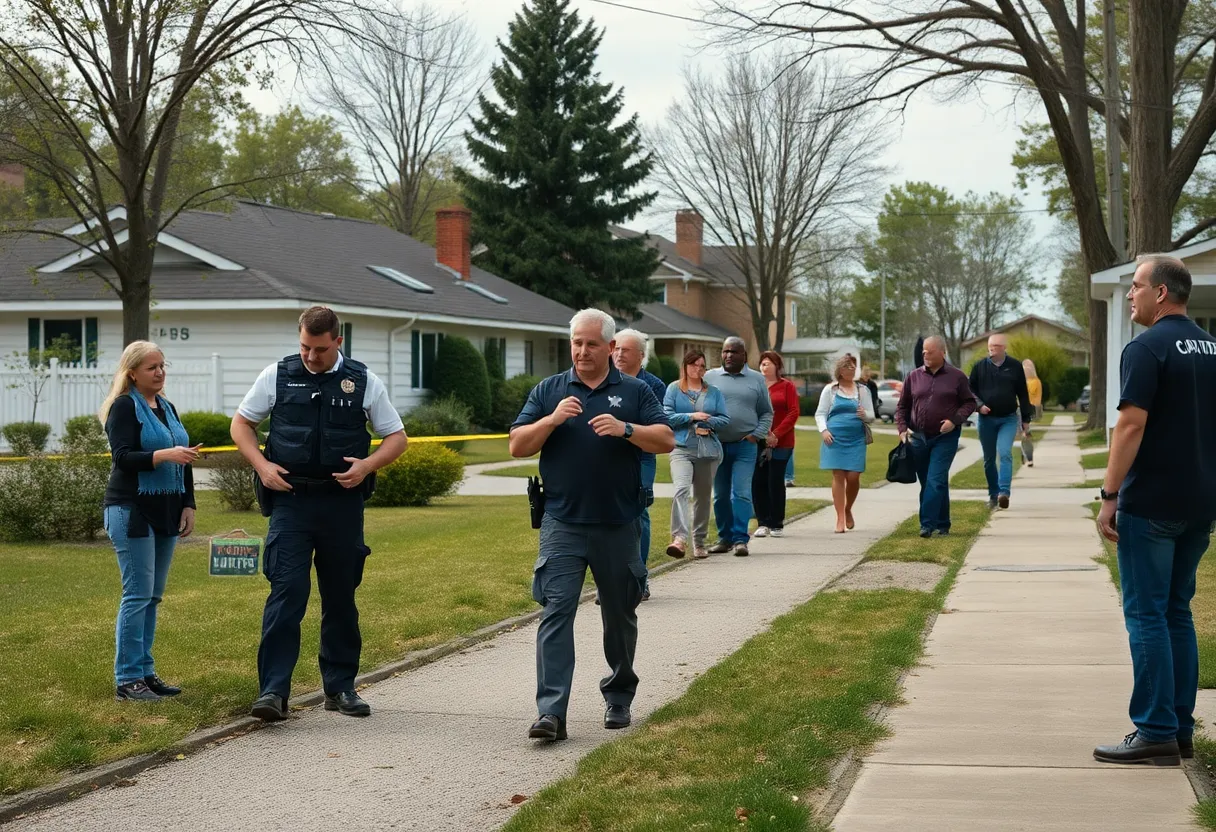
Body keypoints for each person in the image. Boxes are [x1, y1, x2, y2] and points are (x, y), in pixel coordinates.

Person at [231, 306, 407, 722]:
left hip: (341, 504)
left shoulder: (363, 381)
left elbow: (396, 438)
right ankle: (273, 691)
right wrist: (262, 465)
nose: (311, 357)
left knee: (341, 597)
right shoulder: (277, 374)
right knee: (286, 593)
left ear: (338, 342)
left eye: (321, 350)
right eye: (305, 347)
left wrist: (366, 466)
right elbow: (241, 425)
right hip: (291, 502)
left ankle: (341, 688)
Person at [509, 309, 674, 742]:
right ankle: (551, 713)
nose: (583, 351)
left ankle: (618, 696)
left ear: (610, 347)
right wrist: (551, 420)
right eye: (576, 343)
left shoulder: (635, 390)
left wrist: (625, 430)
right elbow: (517, 445)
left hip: (618, 523)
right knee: (555, 612)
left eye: (592, 344)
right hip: (561, 521)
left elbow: (666, 438)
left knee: (619, 615)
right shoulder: (550, 390)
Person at [1094, 255, 1216, 767]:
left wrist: (1108, 494)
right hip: (1200, 502)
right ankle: (1181, 727)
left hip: (1153, 504)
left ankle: (1155, 730)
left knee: (1145, 614)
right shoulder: (1212, 348)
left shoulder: (1145, 348)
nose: (1130, 295)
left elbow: (1130, 426)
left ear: (1161, 293)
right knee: (1176, 611)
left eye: (1136, 287)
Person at [100, 341, 200, 702]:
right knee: (137, 594)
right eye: (151, 368)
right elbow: (123, 457)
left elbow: (184, 458)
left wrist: (188, 504)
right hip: (131, 509)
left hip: (167, 510)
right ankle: (127, 680)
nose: (160, 372)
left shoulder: (167, 408)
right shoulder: (124, 407)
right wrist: (162, 455)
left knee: (153, 596)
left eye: (162, 365)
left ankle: (144, 671)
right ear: (132, 374)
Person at [896, 336, 976, 538]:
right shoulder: (913, 376)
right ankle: (943, 523)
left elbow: (969, 403)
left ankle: (927, 525)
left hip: (945, 438)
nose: (925, 354)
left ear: (942, 353)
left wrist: (954, 420)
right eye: (923, 351)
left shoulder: (957, 377)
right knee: (930, 482)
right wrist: (902, 428)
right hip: (919, 437)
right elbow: (902, 406)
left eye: (929, 351)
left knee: (935, 479)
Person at [611, 328, 669, 600]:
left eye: (626, 350)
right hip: (607, 456)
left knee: (637, 512)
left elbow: (659, 427)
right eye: (617, 349)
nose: (619, 354)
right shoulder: (603, 380)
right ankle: (609, 581)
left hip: (641, 455)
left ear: (641, 356)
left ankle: (638, 579)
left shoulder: (653, 386)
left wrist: (626, 428)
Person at [705, 337, 773, 557]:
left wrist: (756, 435)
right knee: (720, 495)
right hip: (716, 445)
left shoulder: (756, 379)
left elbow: (766, 412)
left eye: (733, 352)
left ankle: (740, 539)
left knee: (741, 493)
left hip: (745, 445)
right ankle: (724, 538)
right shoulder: (710, 377)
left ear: (744, 355)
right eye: (725, 351)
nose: (728, 355)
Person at [663, 350, 729, 560]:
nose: (698, 369)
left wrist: (707, 421)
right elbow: (666, 417)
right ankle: (679, 539)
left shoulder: (714, 392)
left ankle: (699, 541)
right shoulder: (674, 389)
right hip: (681, 448)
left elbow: (725, 419)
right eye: (694, 365)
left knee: (702, 496)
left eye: (702, 366)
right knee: (681, 489)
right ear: (685, 366)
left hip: (707, 450)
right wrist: (691, 416)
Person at [968, 334, 1032, 509]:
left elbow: (1023, 394)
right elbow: (969, 390)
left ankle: (1004, 492)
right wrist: (979, 406)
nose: (992, 349)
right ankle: (993, 495)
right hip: (986, 419)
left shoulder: (1015, 366)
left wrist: (1026, 419)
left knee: (1004, 452)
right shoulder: (979, 367)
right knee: (989, 459)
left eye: (996, 346)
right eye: (990, 346)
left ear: (1004, 348)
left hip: (1008, 418)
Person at [815, 354, 875, 534]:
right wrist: (824, 430)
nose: (851, 370)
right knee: (838, 475)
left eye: (853, 367)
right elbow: (820, 413)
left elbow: (872, 416)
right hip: (834, 438)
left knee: (853, 476)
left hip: (856, 439)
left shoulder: (862, 390)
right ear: (839, 369)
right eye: (847, 366)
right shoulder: (830, 390)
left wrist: (865, 415)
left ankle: (848, 508)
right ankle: (840, 517)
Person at [752, 351, 800, 538]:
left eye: (768, 363)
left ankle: (776, 522)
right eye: (762, 363)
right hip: (758, 440)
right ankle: (762, 522)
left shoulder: (787, 386)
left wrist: (777, 434)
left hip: (782, 442)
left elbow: (793, 412)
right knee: (758, 481)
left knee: (775, 480)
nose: (765, 367)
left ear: (777, 366)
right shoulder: (756, 386)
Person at [1021, 359, 1043, 467]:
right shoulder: (1023, 382)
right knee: (1023, 435)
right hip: (1020, 410)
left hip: (1029, 410)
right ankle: (1025, 455)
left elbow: (1031, 396)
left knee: (1026, 434)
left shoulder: (1035, 382)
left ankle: (1029, 458)